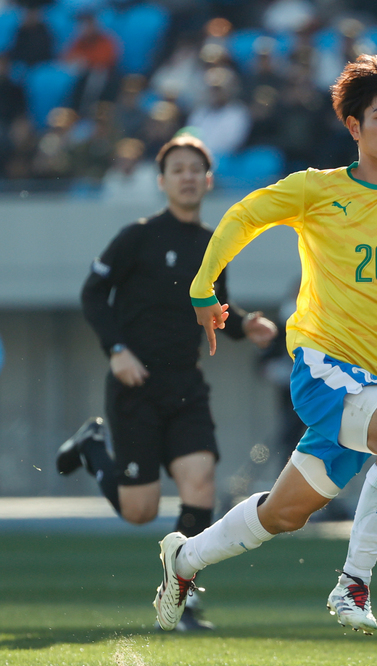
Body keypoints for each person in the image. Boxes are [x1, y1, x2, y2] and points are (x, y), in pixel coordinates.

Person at [152, 54, 377, 635]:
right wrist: (201, 284)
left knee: (284, 514)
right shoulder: (316, 190)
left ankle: (183, 560)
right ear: (354, 126)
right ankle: (353, 584)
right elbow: (242, 216)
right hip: (324, 366)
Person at [56, 134, 277, 630]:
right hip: (135, 385)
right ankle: (94, 447)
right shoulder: (137, 236)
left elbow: (214, 308)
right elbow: (93, 294)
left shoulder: (211, 244)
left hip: (186, 385)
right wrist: (116, 350)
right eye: (177, 169)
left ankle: (181, 598)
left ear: (208, 180)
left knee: (200, 484)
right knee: (140, 510)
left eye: (196, 169)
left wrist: (246, 325)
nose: (187, 176)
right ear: (162, 180)